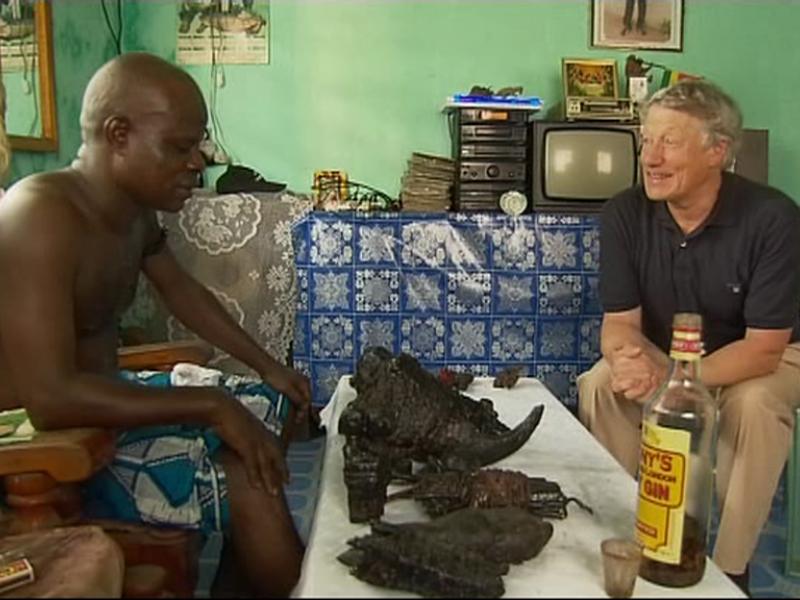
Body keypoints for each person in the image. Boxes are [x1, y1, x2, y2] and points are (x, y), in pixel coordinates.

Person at [0, 52, 312, 597]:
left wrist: (268, 367)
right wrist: (212, 406)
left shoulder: (130, 212)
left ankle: (242, 580)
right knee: (247, 477)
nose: (199, 163)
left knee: (270, 405)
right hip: (50, 451)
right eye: (180, 147)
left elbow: (181, 291)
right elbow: (49, 398)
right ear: (117, 135)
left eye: (200, 146)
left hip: (105, 410)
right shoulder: (40, 217)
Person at [577, 79, 800, 594]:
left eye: (669, 142)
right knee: (602, 382)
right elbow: (620, 326)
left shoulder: (774, 218)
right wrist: (627, 359)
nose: (650, 158)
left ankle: (728, 570)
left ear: (717, 151)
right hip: (667, 356)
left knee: (755, 406)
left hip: (763, 358)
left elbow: (765, 347)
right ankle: (635, 538)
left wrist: (682, 379)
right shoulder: (624, 214)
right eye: (645, 141)